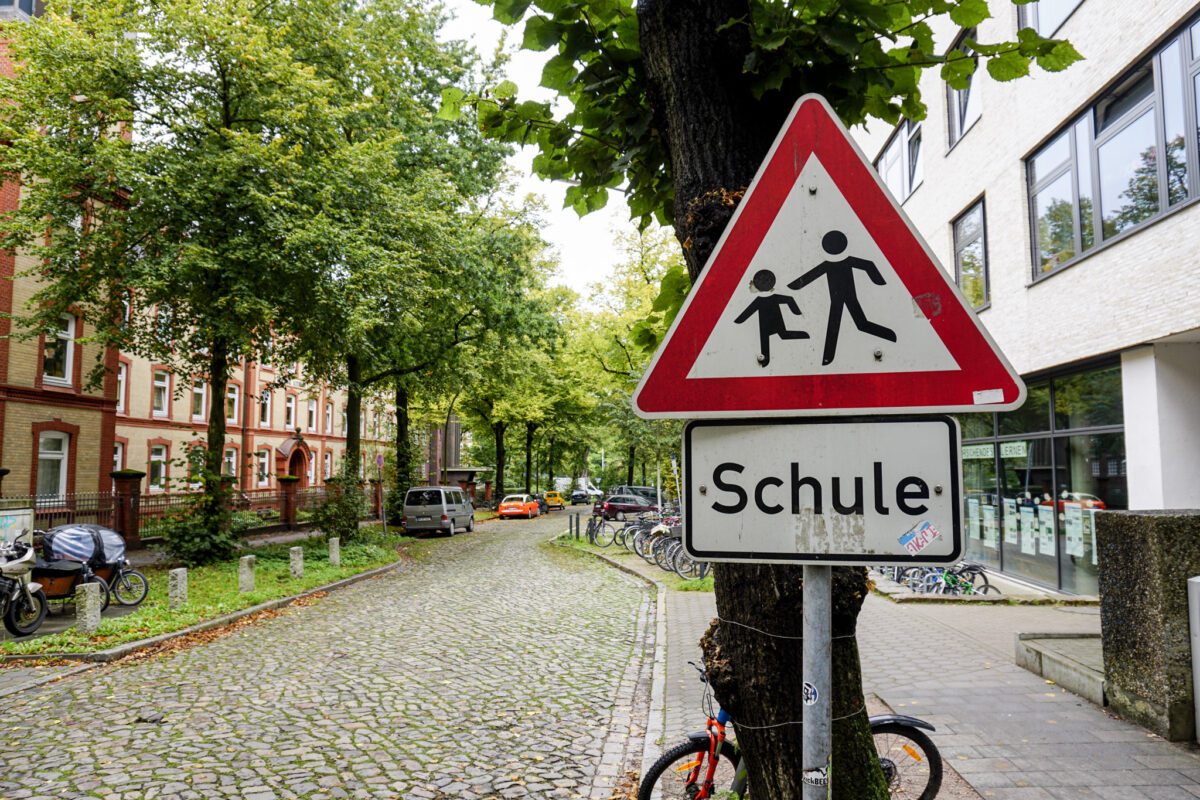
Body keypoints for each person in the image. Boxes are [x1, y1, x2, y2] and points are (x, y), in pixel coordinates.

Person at [788, 230, 896, 366]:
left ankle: (889, 335)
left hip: (848, 297)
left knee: (855, 324)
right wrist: (878, 280)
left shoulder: (837, 263)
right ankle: (828, 357)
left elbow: (868, 266)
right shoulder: (833, 264)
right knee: (850, 324)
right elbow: (868, 266)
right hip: (838, 300)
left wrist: (879, 280)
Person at [733, 268, 809, 367]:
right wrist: (796, 312)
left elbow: (747, 313)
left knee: (774, 337)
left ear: (759, 286)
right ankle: (804, 335)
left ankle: (805, 335)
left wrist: (738, 321)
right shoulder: (770, 298)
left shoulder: (759, 301)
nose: (750, 285)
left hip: (765, 325)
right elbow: (789, 300)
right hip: (773, 322)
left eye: (751, 283)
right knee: (782, 335)